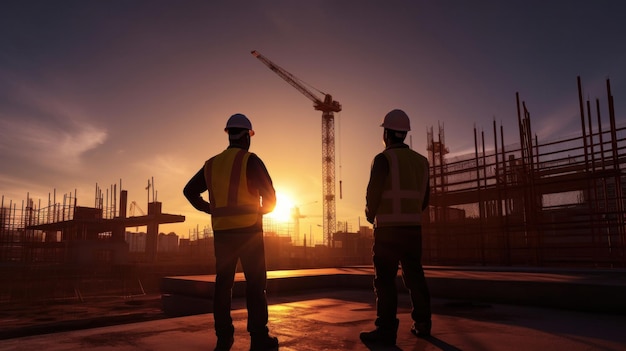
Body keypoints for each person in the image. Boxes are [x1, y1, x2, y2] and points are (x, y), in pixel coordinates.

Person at [183, 113, 279, 351]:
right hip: (249, 233)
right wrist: (258, 212)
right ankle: (258, 338)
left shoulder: (211, 164)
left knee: (223, 285)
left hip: (223, 234)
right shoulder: (251, 160)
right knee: (256, 285)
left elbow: (189, 191)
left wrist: (210, 209)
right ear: (247, 136)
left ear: (228, 134)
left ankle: (223, 338)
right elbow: (271, 199)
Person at [360, 109, 432, 346]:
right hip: (413, 230)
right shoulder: (422, 162)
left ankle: (386, 331)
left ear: (387, 134)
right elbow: (424, 198)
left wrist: (372, 216)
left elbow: (374, 194)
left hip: (388, 231)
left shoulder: (383, 159)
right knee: (415, 277)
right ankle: (422, 324)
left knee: (385, 281)